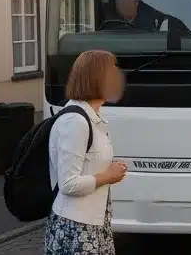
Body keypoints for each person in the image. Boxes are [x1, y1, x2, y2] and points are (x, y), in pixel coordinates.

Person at [45, 50, 127, 255]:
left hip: (94, 223)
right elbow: (68, 183)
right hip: (77, 228)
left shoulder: (92, 117)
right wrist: (107, 176)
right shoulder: (75, 122)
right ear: (95, 79)